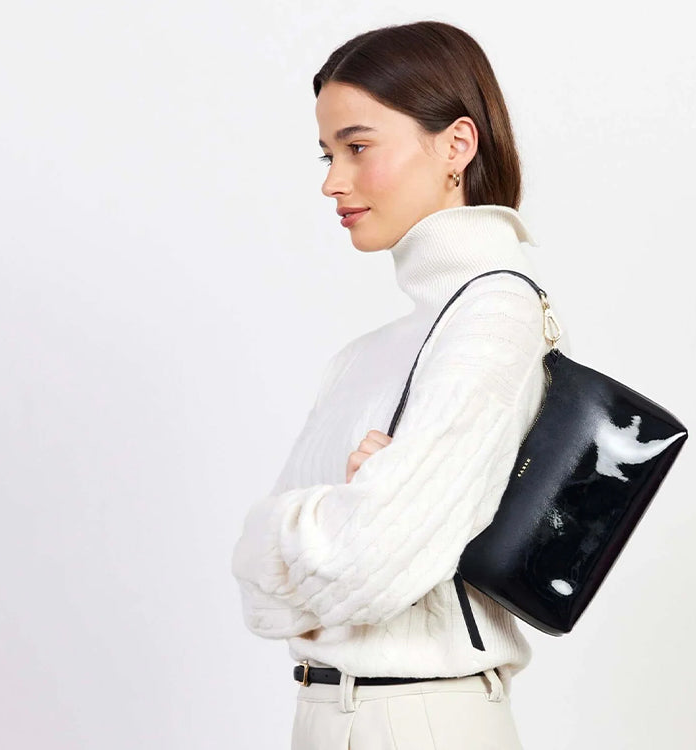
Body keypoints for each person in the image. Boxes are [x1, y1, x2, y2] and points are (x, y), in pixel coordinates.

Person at [230, 19, 572, 749]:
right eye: (327, 154)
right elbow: (256, 590)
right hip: (326, 716)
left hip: (421, 720)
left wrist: (295, 527)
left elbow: (367, 564)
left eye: (357, 147)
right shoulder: (366, 356)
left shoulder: (493, 316)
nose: (332, 181)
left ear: (456, 145)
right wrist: (341, 511)